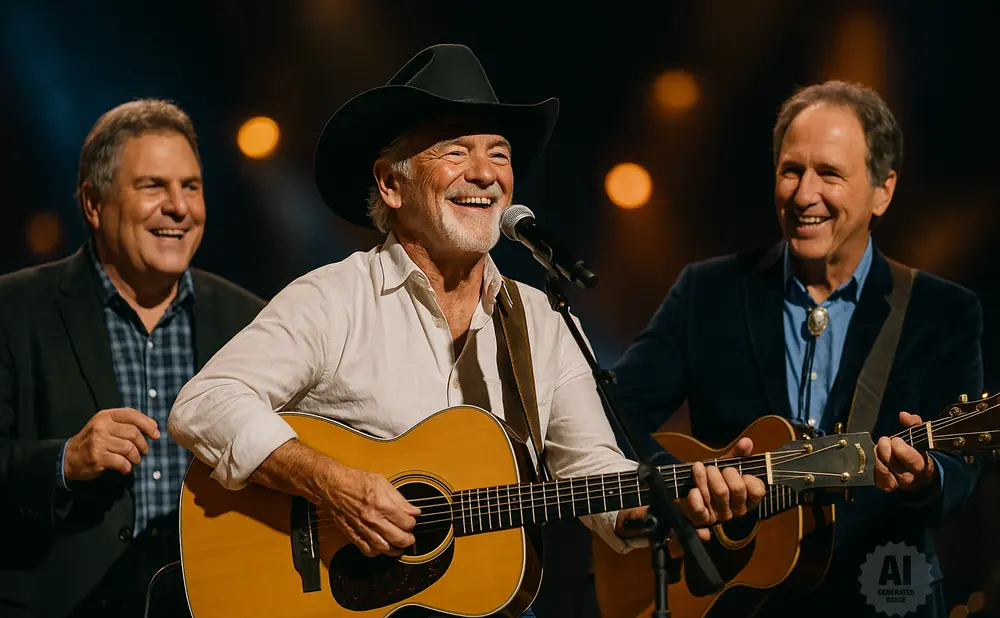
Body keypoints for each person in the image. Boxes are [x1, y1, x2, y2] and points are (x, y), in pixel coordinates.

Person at [166, 44, 763, 618]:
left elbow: (592, 471)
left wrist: (673, 501)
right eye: (455, 151)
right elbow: (205, 403)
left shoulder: (541, 319)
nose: (485, 173)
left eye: (499, 154)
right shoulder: (333, 300)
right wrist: (333, 484)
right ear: (390, 184)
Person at [605, 80, 983, 617]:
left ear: (883, 189)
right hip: (730, 597)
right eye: (791, 170)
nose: (804, 194)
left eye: (829, 173)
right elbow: (610, 411)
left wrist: (927, 475)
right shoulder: (706, 293)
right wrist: (691, 486)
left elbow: (962, 468)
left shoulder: (943, 312)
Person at [0, 99, 266, 618]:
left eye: (190, 186)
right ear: (93, 204)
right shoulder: (12, 310)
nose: (179, 207)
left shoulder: (252, 321)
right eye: (153, 186)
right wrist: (63, 462)